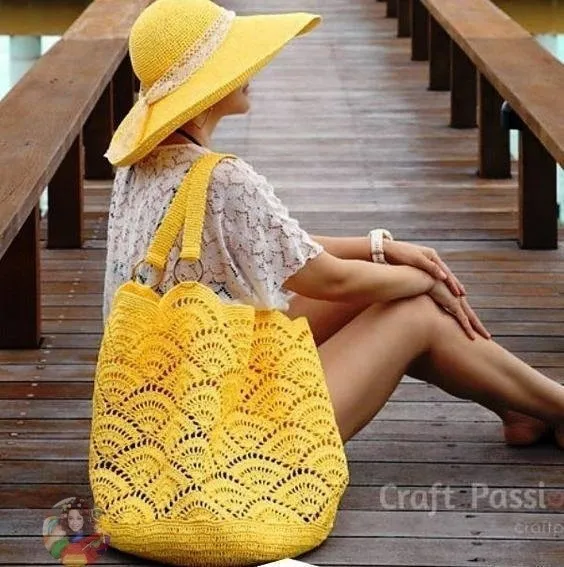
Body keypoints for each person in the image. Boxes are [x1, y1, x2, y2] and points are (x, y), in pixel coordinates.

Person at [103, 0, 564, 450]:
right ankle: (555, 405)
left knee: (390, 287)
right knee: (416, 311)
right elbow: (330, 279)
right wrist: (424, 279)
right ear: (207, 83)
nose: (251, 70)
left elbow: (266, 242)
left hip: (167, 403)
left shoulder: (140, 166)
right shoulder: (222, 178)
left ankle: (523, 409)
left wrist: (379, 249)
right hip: (221, 440)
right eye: (235, 61)